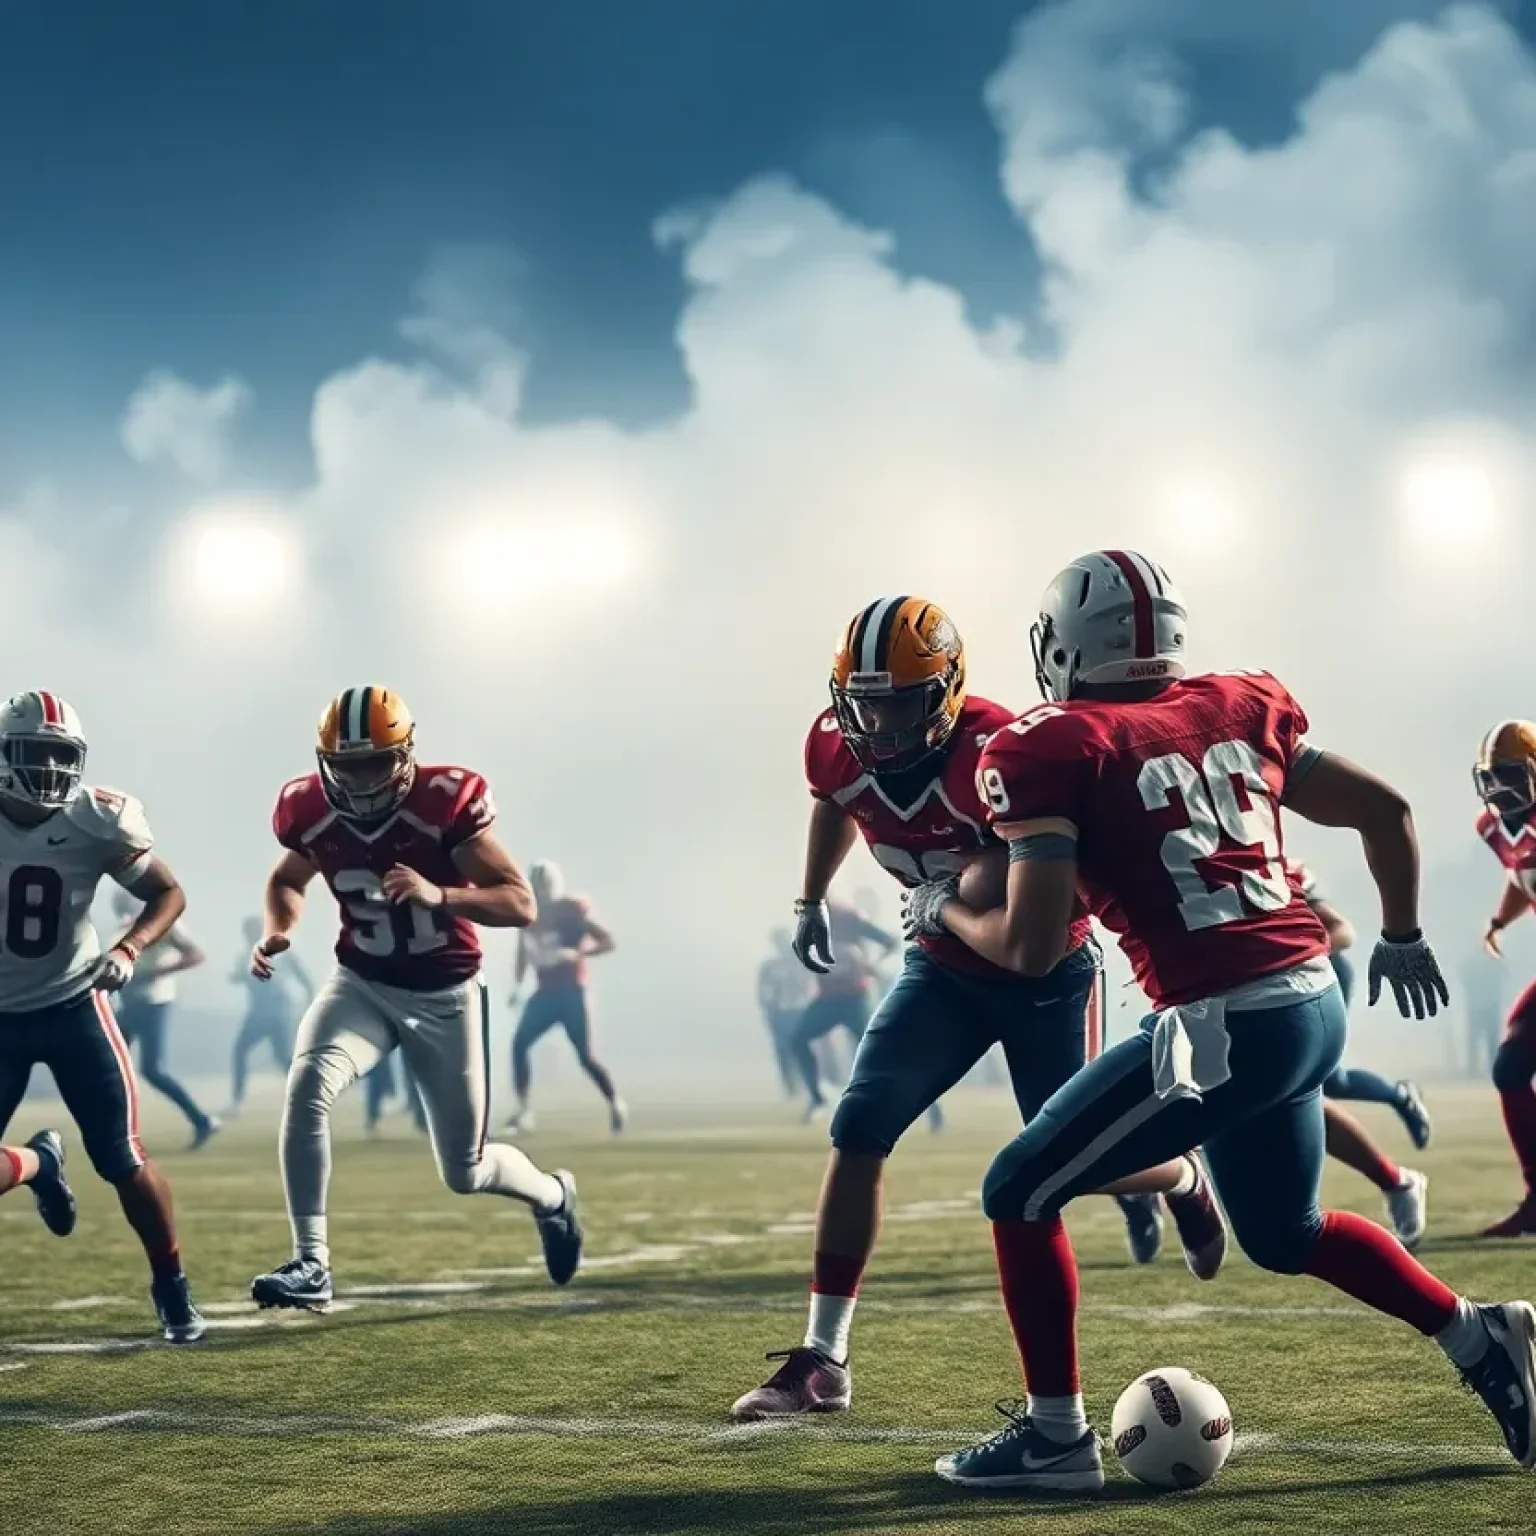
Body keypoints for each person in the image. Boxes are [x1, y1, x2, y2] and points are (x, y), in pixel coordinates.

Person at [917, 550, 1532, 1487]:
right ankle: (1476, 1333)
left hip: (1225, 1023)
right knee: (1286, 1235)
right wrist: (1400, 934)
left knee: (1019, 1189)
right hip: (1311, 1000)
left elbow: (1030, 949)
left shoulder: (1050, 745)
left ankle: (1055, 1439)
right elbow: (1387, 810)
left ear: (1066, 646)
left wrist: (944, 912)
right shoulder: (1239, 704)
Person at [728, 597, 1222, 1424]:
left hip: (1047, 975)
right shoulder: (835, 744)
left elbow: (1003, 882)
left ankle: (1180, 1173)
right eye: (865, 700)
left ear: (947, 694)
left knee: (1069, 1161)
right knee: (858, 1127)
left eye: (898, 702)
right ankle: (823, 1359)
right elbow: (835, 799)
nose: (877, 723)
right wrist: (811, 898)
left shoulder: (1002, 751)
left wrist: (946, 894)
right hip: (944, 972)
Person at [247, 686, 583, 1311]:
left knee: (466, 1171)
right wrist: (281, 928)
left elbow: (520, 902)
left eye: (374, 763)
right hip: (362, 984)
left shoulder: (441, 804)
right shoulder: (308, 809)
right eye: (347, 766)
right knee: (307, 1085)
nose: (362, 779)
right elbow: (287, 879)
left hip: (444, 993)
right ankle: (311, 1262)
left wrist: (443, 895)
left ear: (404, 756)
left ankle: (553, 1198)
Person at [0, 691, 204, 1341]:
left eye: (64, 756)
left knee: (121, 1158)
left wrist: (130, 947)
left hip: (73, 1004)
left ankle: (173, 1289)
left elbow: (167, 891)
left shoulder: (98, 819)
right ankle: (38, 1165)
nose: (54, 770)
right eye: (39, 754)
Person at [1285, 858, 1431, 1247]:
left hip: (1306, 979)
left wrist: (1288, 953)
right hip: (1253, 987)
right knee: (1314, 1087)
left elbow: (1341, 930)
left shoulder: (1271, 863)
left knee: (1312, 1087)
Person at [505, 862, 626, 1135]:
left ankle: (615, 1102)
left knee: (585, 1057)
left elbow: (607, 940)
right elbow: (523, 951)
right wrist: (516, 985)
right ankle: (523, 1111)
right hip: (545, 993)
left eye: (544, 886)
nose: (541, 892)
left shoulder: (570, 912)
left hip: (572, 992)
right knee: (519, 1045)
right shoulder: (526, 911)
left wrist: (579, 954)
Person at [1473, 720, 1536, 1237]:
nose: (1500, 789)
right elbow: (1523, 876)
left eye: (1512, 775)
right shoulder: (1495, 827)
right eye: (1492, 778)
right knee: (1510, 1065)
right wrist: (1498, 921)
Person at [113, 887, 218, 1149]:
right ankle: (116, 1132)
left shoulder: (163, 922)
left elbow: (196, 955)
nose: (122, 910)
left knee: (152, 1069)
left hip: (154, 1002)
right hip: (129, 1004)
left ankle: (202, 1120)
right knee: (111, 1065)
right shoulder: (124, 927)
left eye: (125, 903)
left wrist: (154, 974)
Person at [789, 899, 898, 1121]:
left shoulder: (849, 919)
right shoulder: (809, 920)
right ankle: (817, 1097)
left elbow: (890, 941)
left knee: (874, 1050)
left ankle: (905, 1100)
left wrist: (872, 965)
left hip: (853, 998)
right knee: (798, 1039)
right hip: (827, 998)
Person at [226, 915, 309, 1117]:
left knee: (247, 1052)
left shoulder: (279, 952)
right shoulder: (248, 954)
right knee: (276, 1056)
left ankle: (308, 1094)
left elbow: (298, 976)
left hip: (273, 1010)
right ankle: (308, 1094)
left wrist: (310, 997)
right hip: (262, 1010)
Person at [758, 927, 815, 1097]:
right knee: (783, 1050)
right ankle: (790, 1087)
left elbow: (810, 985)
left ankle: (809, 1084)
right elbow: (763, 990)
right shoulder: (770, 966)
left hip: (799, 1011)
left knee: (801, 1048)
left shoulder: (802, 962)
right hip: (779, 1013)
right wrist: (768, 1009)